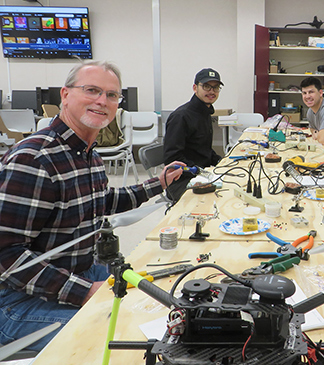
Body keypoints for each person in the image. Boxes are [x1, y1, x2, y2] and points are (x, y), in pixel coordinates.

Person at [0, 61, 185, 351]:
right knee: (124, 339)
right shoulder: (34, 160)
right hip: (16, 300)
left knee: (161, 303)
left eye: (112, 95)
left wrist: (158, 183)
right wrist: (86, 292)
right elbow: (6, 257)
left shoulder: (87, 154)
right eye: (92, 90)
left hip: (80, 271)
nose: (102, 101)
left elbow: (101, 201)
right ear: (65, 95)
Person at [163, 68, 223, 202]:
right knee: (219, 200)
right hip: (181, 181)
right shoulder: (181, 117)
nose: (212, 91)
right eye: (207, 86)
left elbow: (203, 149)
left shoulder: (205, 112)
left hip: (201, 174)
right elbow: (172, 158)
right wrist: (199, 171)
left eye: (216, 87)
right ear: (195, 88)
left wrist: (220, 161)